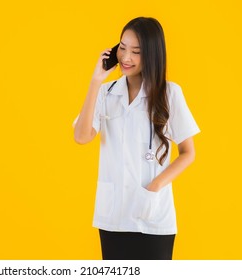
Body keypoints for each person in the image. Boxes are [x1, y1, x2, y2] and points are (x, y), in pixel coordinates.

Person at [72, 17, 200, 260]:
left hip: (152, 215)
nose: (126, 58)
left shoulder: (169, 93)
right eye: (122, 47)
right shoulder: (106, 93)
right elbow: (81, 136)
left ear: (152, 54)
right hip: (114, 217)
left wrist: (156, 185)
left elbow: (188, 152)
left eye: (136, 51)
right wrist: (96, 80)